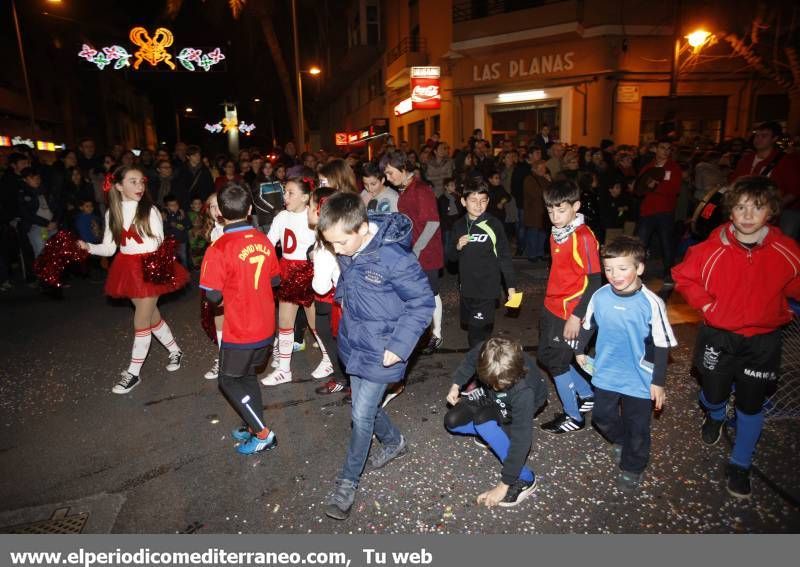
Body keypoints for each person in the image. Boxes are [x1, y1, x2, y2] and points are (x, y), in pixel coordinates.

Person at [672, 176, 800, 499]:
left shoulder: (787, 250)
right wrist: (706, 305)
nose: (747, 214)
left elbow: (794, 286)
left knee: (750, 404)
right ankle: (714, 416)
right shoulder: (712, 249)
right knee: (712, 394)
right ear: (731, 211)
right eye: (740, 207)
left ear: (770, 211)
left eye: (756, 208)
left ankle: (740, 463)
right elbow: (683, 277)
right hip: (719, 336)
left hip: (763, 341)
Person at [317, 192, 434, 520]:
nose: (336, 250)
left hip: (384, 348)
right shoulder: (348, 245)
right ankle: (394, 441)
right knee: (360, 407)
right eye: (331, 244)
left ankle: (347, 483)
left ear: (361, 228)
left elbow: (422, 303)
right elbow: (349, 277)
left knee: (361, 416)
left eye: (340, 243)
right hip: (354, 343)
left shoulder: (394, 258)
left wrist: (399, 347)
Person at [78, 166, 189, 394]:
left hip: (151, 268)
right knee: (150, 317)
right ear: (118, 186)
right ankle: (175, 350)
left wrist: (156, 270)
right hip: (128, 269)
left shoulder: (150, 210)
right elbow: (110, 249)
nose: (139, 186)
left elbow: (159, 244)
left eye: (141, 181)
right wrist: (87, 246)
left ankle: (133, 373)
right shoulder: (113, 213)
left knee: (140, 321)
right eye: (133, 181)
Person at [578, 236, 677, 492]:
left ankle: (634, 465)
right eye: (608, 269)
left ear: (639, 268)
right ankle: (622, 440)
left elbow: (662, 344)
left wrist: (659, 382)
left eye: (623, 268)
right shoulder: (599, 295)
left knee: (638, 426)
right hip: (606, 371)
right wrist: (579, 350)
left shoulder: (652, 303)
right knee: (601, 418)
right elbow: (589, 325)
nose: (614, 275)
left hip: (640, 377)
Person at [199, 183, 281, 455]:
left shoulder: (219, 247)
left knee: (228, 380)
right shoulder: (263, 239)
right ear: (249, 209)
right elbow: (276, 279)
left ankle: (263, 433)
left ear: (220, 212)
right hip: (266, 324)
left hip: (241, 328)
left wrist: (229, 297)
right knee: (246, 376)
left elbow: (212, 296)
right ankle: (251, 422)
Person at [444, 337, 548, 507]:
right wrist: (456, 385)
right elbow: (470, 360)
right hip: (491, 395)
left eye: (499, 385)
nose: (497, 387)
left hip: (517, 402)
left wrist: (503, 484)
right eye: (493, 383)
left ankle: (526, 479)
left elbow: (522, 440)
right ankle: (493, 430)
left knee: (483, 423)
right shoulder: (488, 351)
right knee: (452, 421)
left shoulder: (524, 392)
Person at [538, 179, 602, 434]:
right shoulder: (559, 231)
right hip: (553, 305)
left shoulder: (583, 237)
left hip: (571, 312)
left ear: (576, 206)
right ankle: (586, 395)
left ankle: (573, 417)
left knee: (557, 362)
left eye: (561, 210)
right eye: (550, 210)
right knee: (546, 355)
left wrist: (577, 316)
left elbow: (595, 280)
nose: (554, 216)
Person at [380, 150, 444, 355]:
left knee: (431, 294)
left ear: (404, 169)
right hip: (412, 251)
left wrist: (416, 250)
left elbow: (433, 223)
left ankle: (437, 334)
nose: (388, 178)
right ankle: (420, 333)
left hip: (427, 252)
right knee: (416, 295)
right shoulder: (406, 189)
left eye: (390, 173)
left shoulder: (421, 190)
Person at [261, 177, 318, 386]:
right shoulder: (281, 216)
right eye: (285, 192)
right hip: (287, 269)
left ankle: (330, 360)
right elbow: (269, 243)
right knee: (284, 322)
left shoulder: (313, 216)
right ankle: (284, 369)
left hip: (309, 272)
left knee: (315, 323)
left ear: (305, 197)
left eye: (290, 193)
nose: (285, 196)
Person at [447, 181, 516, 347]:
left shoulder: (494, 224)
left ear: (488, 201)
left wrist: (511, 289)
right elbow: (451, 258)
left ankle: (478, 370)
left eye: (483, 200)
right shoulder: (458, 226)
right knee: (477, 329)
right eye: (473, 200)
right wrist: (457, 246)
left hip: (487, 290)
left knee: (475, 335)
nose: (478, 205)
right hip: (467, 289)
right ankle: (485, 359)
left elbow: (505, 257)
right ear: (464, 202)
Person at [308, 187, 347, 396]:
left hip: (333, 299)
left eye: (310, 206)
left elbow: (321, 286)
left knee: (334, 338)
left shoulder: (325, 245)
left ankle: (344, 380)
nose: (308, 210)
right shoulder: (345, 230)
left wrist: (315, 262)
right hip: (352, 294)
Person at [730, 121, 800, 240]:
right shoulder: (747, 159)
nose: (758, 139)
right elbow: (735, 183)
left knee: (782, 242)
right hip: (751, 209)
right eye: (757, 135)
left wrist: (773, 208)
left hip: (783, 212)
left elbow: (795, 191)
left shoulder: (786, 161)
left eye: (764, 136)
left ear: (774, 138)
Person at [636, 139, 682, 285]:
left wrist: (655, 187)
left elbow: (674, 190)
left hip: (665, 211)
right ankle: (638, 273)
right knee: (641, 244)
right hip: (648, 211)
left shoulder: (674, 168)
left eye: (669, 148)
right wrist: (646, 187)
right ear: (655, 149)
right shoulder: (648, 167)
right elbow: (639, 188)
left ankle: (669, 272)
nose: (666, 151)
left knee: (666, 243)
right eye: (663, 147)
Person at [201, 192, 226, 380]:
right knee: (220, 317)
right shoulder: (211, 230)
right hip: (219, 281)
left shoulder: (234, 227)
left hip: (236, 281)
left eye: (220, 205)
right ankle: (223, 357)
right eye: (212, 206)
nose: (216, 210)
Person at [18, 168, 59, 258]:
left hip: (51, 225)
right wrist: (46, 223)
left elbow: (55, 207)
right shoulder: (23, 193)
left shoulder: (45, 190)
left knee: (56, 252)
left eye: (38, 177)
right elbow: (27, 214)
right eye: (32, 178)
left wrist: (55, 220)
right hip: (36, 227)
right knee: (42, 253)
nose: (36, 180)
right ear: (25, 179)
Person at [522, 159, 550, 261]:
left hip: (543, 211)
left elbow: (552, 191)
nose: (544, 170)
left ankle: (540, 253)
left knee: (542, 235)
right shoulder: (529, 179)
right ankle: (532, 254)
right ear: (534, 169)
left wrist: (549, 181)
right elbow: (536, 194)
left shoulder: (545, 179)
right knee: (533, 234)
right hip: (533, 212)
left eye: (544, 168)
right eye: (541, 168)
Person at [436, 177, 464, 255]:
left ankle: (451, 263)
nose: (454, 187)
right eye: (451, 185)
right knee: (446, 246)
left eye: (454, 185)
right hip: (447, 226)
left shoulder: (457, 198)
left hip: (455, 225)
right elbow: (443, 214)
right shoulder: (442, 199)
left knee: (454, 246)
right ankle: (444, 263)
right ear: (446, 187)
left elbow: (460, 211)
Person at [163, 194, 190, 268]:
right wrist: (168, 224)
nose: (174, 206)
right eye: (171, 205)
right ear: (166, 207)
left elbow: (188, 225)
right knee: (173, 257)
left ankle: (185, 270)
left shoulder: (182, 213)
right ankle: (176, 272)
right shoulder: (165, 216)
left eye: (176, 204)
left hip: (182, 240)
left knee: (183, 256)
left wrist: (183, 218)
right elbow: (163, 228)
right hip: (171, 241)